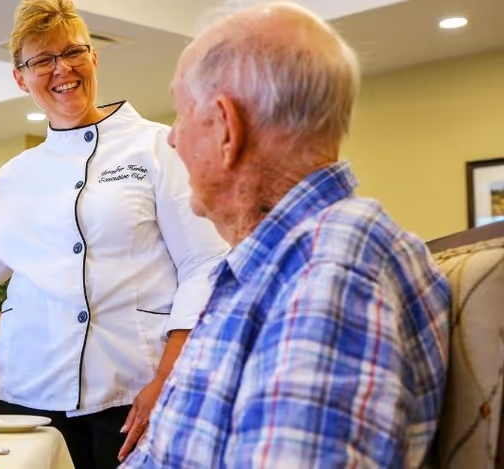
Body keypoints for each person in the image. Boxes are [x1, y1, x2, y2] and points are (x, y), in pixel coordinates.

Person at [0, 0, 228, 467]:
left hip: (131, 389)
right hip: (27, 396)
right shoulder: (18, 173)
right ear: (20, 77)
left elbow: (205, 265)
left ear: (94, 58)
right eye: (42, 60)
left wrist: (169, 378)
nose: (63, 69)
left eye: (73, 52)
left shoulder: (156, 146)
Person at [123, 3, 451, 467]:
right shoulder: (275, 263)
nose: (173, 139)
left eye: (181, 114)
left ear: (224, 128)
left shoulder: (333, 266)